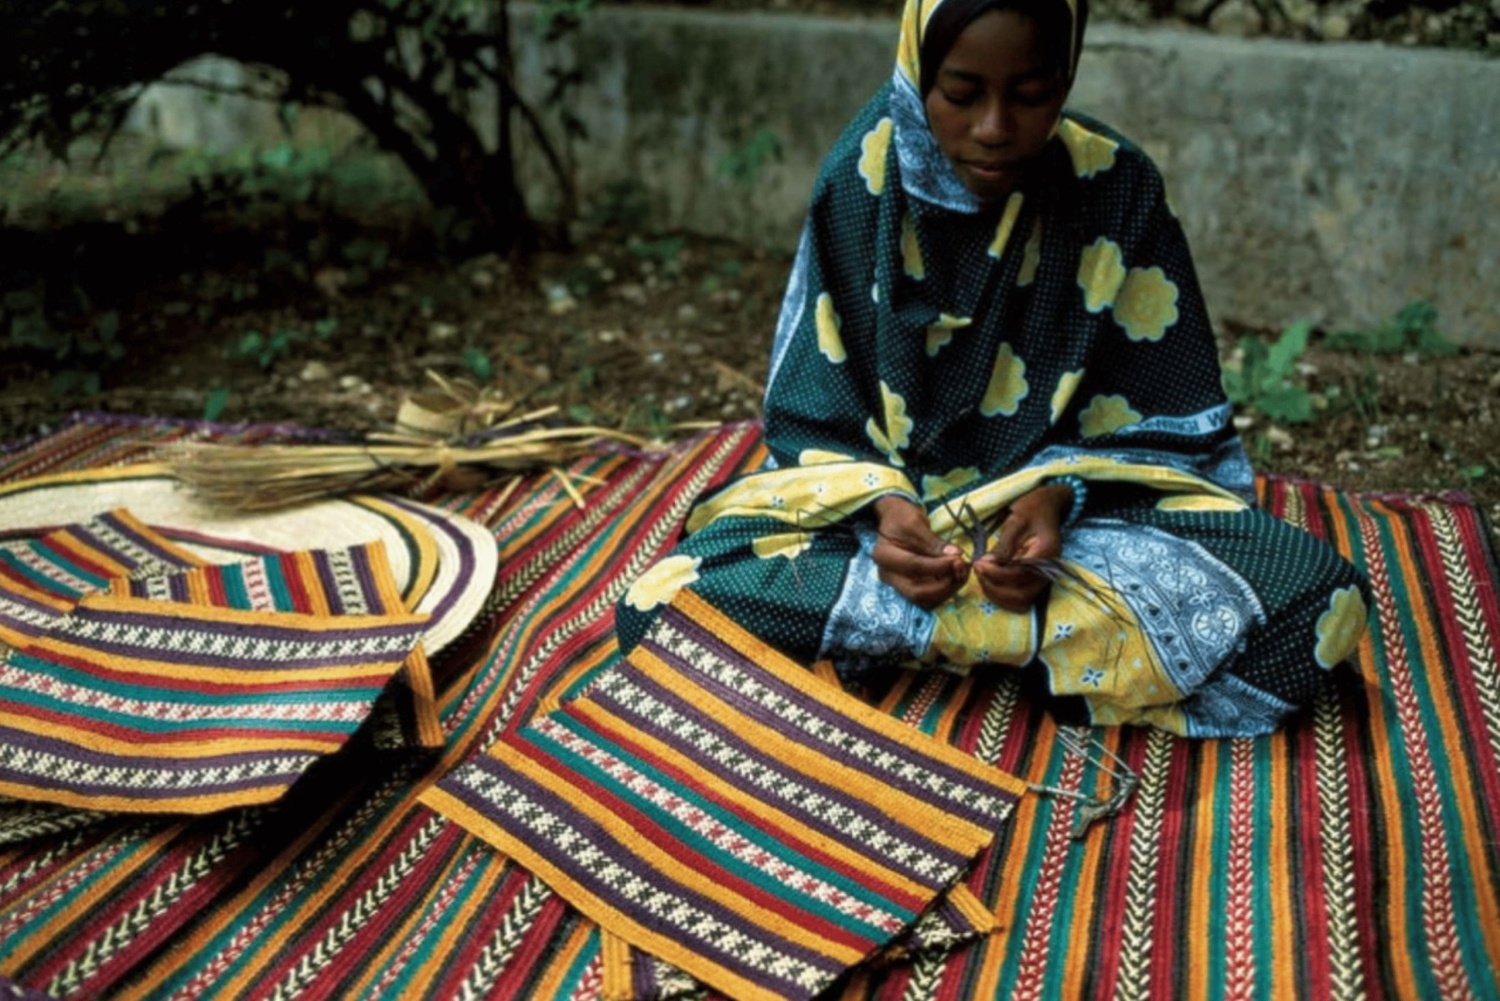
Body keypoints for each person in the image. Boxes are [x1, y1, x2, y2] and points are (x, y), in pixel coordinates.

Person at [616, 0, 1370, 737]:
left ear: (1067, 77)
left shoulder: (1117, 187)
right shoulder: (860, 183)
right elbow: (814, 412)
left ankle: (905, 641)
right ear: (917, 73)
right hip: (882, 546)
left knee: (1320, 597)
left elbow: (1163, 421)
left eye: (1033, 94)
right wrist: (883, 509)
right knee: (662, 603)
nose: (994, 129)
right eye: (961, 93)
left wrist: (1054, 499)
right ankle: (1058, 655)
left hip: (1082, 544)